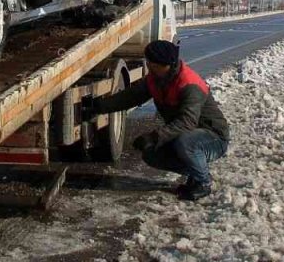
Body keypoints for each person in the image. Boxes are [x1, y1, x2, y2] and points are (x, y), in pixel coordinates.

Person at [82, 39, 229, 201]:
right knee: (151, 153)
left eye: (152, 64)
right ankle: (197, 173)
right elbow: (129, 97)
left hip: (213, 138)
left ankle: (203, 182)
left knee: (185, 142)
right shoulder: (156, 79)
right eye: (148, 62)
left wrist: (154, 137)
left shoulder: (189, 85)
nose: (149, 66)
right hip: (187, 135)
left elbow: (187, 122)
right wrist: (99, 107)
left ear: (166, 65)